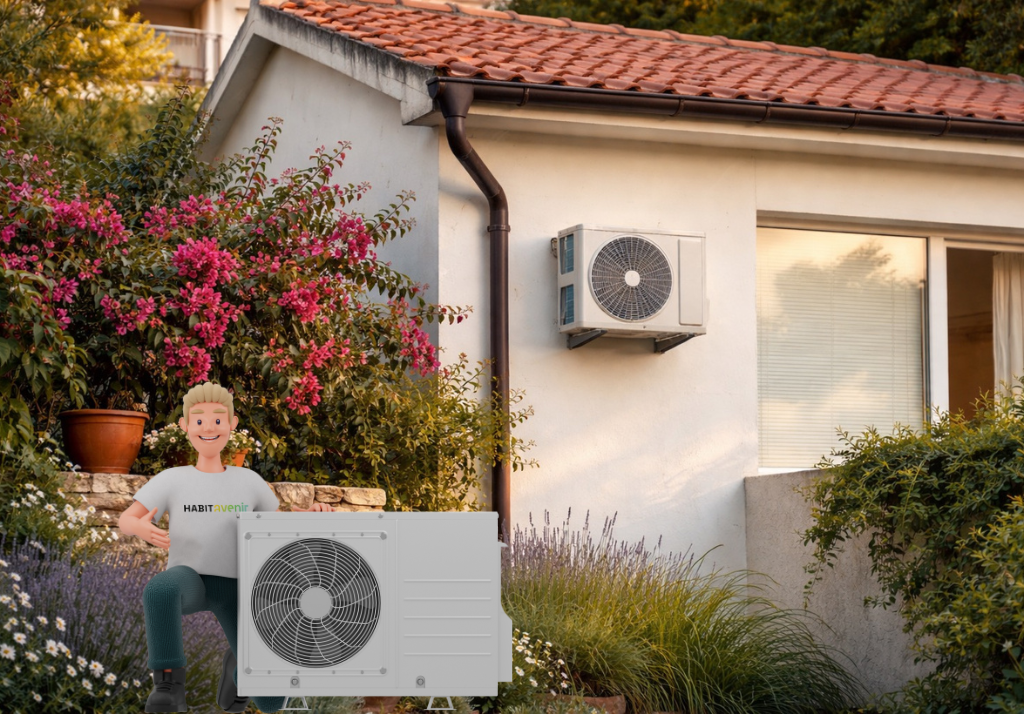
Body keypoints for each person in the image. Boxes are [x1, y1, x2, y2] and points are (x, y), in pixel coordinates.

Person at [118, 381, 333, 713]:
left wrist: (311, 515)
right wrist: (140, 526)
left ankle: (237, 668)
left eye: (218, 420)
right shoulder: (172, 478)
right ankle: (169, 686)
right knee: (159, 590)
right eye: (199, 419)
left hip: (240, 588)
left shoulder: (248, 481)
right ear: (185, 426)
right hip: (190, 579)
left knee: (273, 702)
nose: (208, 427)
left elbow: (275, 524)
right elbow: (126, 520)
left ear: (231, 425)